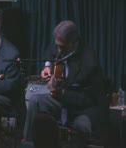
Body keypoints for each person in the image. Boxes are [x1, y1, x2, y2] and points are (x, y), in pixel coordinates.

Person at [23, 20, 108, 148]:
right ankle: (29, 143)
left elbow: (88, 99)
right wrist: (48, 66)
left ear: (74, 43)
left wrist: (60, 94)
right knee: (35, 100)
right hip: (64, 99)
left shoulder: (89, 63)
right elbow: (51, 51)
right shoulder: (61, 45)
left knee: (80, 126)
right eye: (57, 46)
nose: (58, 50)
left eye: (62, 47)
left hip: (84, 108)